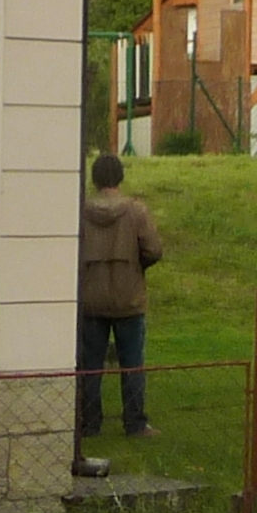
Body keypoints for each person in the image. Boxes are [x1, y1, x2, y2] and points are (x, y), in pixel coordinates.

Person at [78, 151, 163, 438]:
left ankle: (89, 424)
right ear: (121, 177)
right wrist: (136, 267)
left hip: (91, 297)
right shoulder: (137, 211)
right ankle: (135, 423)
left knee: (90, 366)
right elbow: (153, 250)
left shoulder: (82, 211)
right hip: (129, 297)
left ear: (95, 178)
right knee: (132, 364)